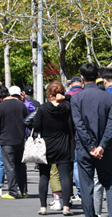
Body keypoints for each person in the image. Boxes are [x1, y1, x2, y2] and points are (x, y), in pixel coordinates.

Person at [71, 63, 112, 217]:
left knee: (86, 186)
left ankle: (90, 215)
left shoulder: (76, 98)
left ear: (82, 78)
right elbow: (110, 124)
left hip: (84, 149)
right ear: (98, 77)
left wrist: (90, 147)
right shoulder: (108, 97)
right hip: (106, 149)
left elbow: (79, 125)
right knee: (109, 183)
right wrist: (102, 145)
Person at [33, 80, 74, 216]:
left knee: (44, 176)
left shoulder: (43, 108)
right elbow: (75, 101)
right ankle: (66, 207)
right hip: (63, 145)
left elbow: (36, 126)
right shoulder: (67, 108)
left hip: (46, 146)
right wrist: (65, 97)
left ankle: (43, 207)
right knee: (64, 177)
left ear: (49, 93)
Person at [0, 85, 28, 199]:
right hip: (20, 139)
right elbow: (28, 119)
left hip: (6, 139)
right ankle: (24, 191)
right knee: (21, 166)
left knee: (9, 166)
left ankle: (12, 191)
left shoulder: (0, 107)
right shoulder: (21, 104)